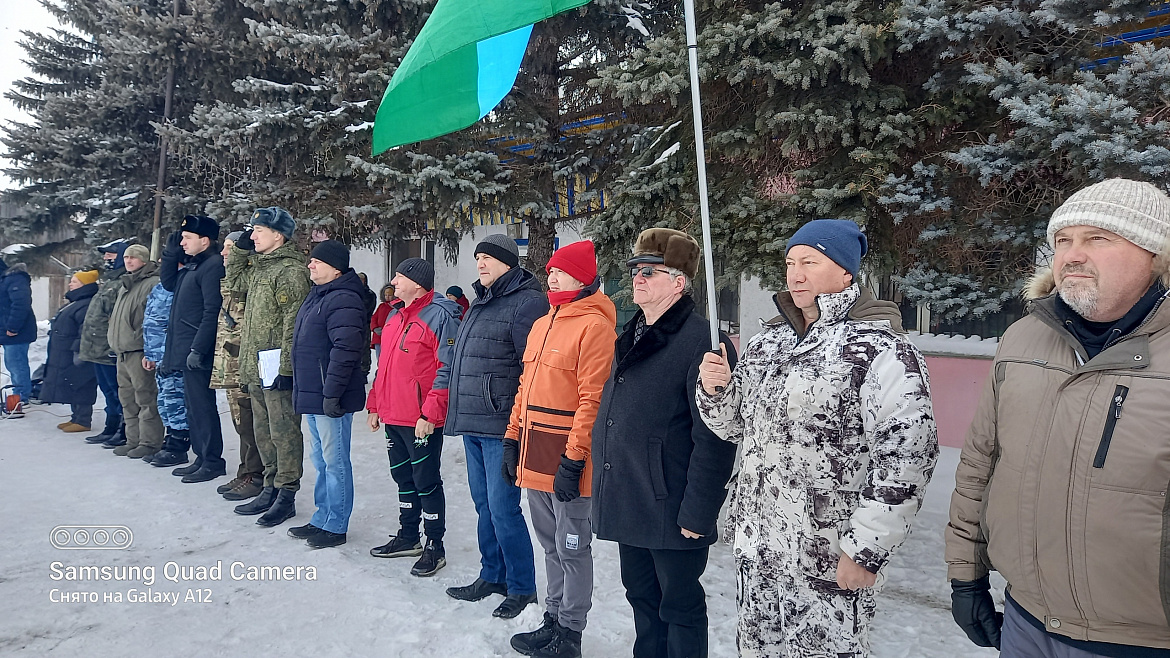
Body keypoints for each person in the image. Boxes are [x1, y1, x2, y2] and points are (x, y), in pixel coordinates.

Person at [945, 178, 1170, 657]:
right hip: (1026, 624)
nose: (1071, 255)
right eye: (1062, 240)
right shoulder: (1023, 338)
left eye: (1097, 238)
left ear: (1156, 256)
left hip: (1142, 643)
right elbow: (981, 464)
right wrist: (966, 576)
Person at [697, 219, 939, 658]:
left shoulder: (879, 348)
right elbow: (733, 428)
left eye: (810, 262)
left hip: (827, 557)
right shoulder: (769, 342)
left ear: (846, 272)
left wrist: (866, 551)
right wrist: (716, 392)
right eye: (791, 263)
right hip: (760, 549)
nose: (796, 274)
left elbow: (907, 457)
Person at [591, 228, 739, 658]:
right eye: (635, 270)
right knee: (641, 599)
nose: (637, 278)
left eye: (650, 272)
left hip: (672, 505)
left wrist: (699, 511)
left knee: (679, 608)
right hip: (631, 496)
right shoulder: (633, 333)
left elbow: (715, 437)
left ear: (678, 282)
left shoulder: (703, 343)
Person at [505, 240, 616, 658]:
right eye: (550, 270)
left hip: (568, 457)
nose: (551, 277)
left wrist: (575, 458)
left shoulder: (595, 327)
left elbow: (592, 400)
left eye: (561, 271)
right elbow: (525, 387)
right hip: (534, 453)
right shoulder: (542, 323)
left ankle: (570, 632)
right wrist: (512, 438)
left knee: (572, 548)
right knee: (550, 545)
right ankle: (552, 618)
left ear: (582, 278)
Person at [442, 233, 548, 619]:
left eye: (488, 257)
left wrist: (517, 424)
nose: (480, 264)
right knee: (483, 505)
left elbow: (530, 369)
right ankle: (492, 575)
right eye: (477, 258)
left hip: (502, 425)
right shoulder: (480, 301)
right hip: (473, 422)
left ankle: (522, 587)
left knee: (503, 509)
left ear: (508, 262)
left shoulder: (527, 302)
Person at [367, 257, 461, 577]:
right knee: (403, 478)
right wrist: (375, 405)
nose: (393, 280)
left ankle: (435, 545)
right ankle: (409, 536)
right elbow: (384, 367)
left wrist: (430, 413)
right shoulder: (394, 315)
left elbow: (447, 369)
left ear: (417, 284)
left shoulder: (440, 316)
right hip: (394, 414)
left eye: (399, 276)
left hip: (421, 419)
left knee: (426, 480)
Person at [225, 207, 311, 527]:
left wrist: (286, 368)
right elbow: (234, 281)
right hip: (257, 365)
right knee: (263, 431)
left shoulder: (290, 271)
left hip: (277, 367)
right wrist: (240, 250)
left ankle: (286, 492)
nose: (253, 236)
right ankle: (270, 485)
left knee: (283, 431)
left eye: (258, 231)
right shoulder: (261, 267)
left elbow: (293, 324)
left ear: (278, 235)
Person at [288, 240, 374, 549]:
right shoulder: (318, 295)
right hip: (314, 393)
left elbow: (345, 350)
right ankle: (322, 516)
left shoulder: (344, 299)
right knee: (321, 461)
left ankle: (336, 524)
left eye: (317, 261)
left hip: (330, 396)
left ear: (335, 268)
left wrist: (332, 393)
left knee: (334, 461)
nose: (310, 265)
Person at [159, 216, 226, 483]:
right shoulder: (193, 266)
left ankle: (212, 461)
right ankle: (201, 456)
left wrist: (198, 348)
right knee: (192, 407)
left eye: (187, 238)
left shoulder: (212, 266)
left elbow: (212, 311)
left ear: (204, 240)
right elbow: (168, 283)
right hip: (184, 348)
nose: (182, 242)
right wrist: (170, 254)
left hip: (197, 350)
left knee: (202, 407)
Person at [211, 231, 263, 501]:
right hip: (230, 365)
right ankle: (245, 470)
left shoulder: (250, 281)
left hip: (244, 364)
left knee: (250, 424)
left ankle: (255, 474)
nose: (223, 252)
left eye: (230, 247)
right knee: (240, 423)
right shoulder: (231, 283)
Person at [105, 244, 164, 459]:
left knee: (145, 397)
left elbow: (154, 319)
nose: (129, 261)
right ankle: (133, 439)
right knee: (127, 399)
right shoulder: (126, 284)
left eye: (134, 257)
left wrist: (150, 350)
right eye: (126, 257)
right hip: (122, 351)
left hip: (139, 350)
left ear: (144, 260)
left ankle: (150, 442)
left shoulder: (152, 283)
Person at [80, 239, 128, 447]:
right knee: (107, 391)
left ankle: (121, 429)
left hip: (110, 348)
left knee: (117, 392)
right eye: (105, 254)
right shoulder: (109, 280)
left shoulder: (123, 282)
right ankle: (111, 426)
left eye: (111, 254)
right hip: (97, 347)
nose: (106, 258)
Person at [41, 270, 100, 431]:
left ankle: (83, 420)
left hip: (76, 352)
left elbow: (86, 329)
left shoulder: (86, 304)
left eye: (74, 282)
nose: (70, 284)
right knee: (71, 383)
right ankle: (75, 417)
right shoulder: (76, 302)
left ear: (84, 285)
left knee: (81, 383)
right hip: (65, 351)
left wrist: (78, 350)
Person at [141, 277, 190, 466]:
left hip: (171, 355)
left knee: (175, 399)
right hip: (158, 355)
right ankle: (170, 439)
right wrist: (149, 353)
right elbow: (151, 322)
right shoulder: (161, 286)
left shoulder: (181, 284)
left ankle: (179, 446)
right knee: (164, 401)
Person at [0, 255, 36, 412]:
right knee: (12, 364)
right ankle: (19, 394)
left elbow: (21, 304)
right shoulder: (4, 280)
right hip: (8, 331)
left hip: (17, 332)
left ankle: (21, 397)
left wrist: (13, 327)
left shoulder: (15, 279)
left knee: (17, 364)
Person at [371, 283, 395, 358]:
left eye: (390, 295)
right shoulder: (381, 306)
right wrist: (375, 328)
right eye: (386, 295)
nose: (387, 297)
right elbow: (374, 318)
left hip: (390, 337)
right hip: (378, 337)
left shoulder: (396, 308)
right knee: (379, 357)